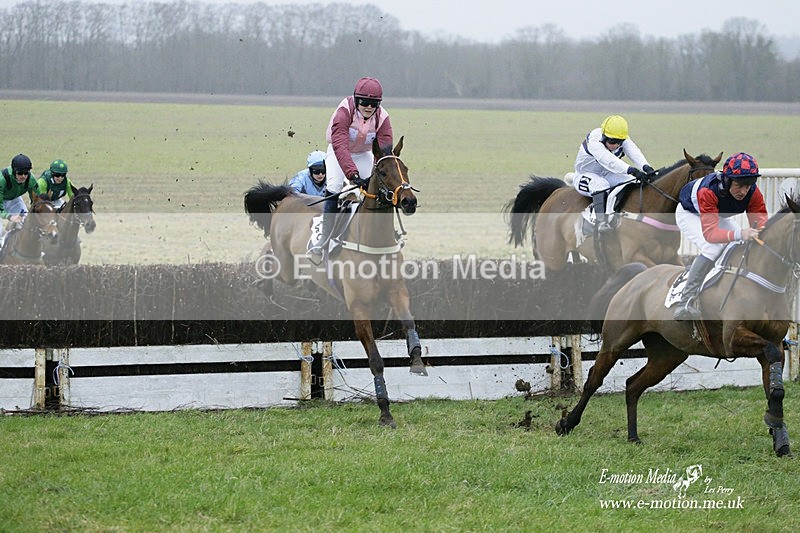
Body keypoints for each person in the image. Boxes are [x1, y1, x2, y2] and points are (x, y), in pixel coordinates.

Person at [673, 152, 768, 321]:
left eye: (749, 185)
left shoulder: (753, 192)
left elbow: (761, 224)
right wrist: (741, 233)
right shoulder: (708, 191)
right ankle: (685, 301)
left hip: (717, 214)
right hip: (690, 213)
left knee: (738, 242)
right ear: (728, 179)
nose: (744, 191)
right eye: (739, 185)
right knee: (713, 247)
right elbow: (710, 234)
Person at [311, 76, 393, 254]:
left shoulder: (383, 118)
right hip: (338, 151)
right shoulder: (344, 111)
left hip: (363, 154)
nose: (369, 107)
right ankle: (325, 237)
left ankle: (374, 233)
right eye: (365, 101)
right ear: (356, 100)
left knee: (373, 190)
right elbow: (340, 145)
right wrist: (353, 175)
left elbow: (385, 151)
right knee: (334, 186)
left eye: (374, 103)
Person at [573, 115, 656, 232]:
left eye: (619, 142)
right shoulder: (594, 140)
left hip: (607, 174)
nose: (615, 145)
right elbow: (609, 161)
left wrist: (647, 168)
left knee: (631, 181)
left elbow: (634, 152)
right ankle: (600, 222)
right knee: (601, 185)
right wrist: (632, 170)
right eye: (612, 141)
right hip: (585, 175)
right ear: (604, 136)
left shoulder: (622, 139)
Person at [0, 154, 40, 245]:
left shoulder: (31, 180)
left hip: (14, 200)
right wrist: (10, 216)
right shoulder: (2, 179)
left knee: (26, 223)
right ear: (14, 172)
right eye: (20, 173)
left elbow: (37, 201)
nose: (23, 176)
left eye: (26, 173)